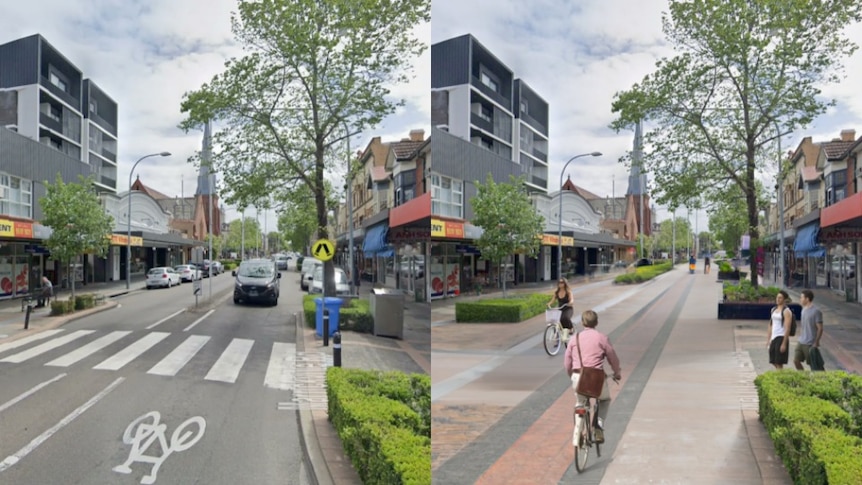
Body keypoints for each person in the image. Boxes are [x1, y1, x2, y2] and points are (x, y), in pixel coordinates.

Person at [564, 310, 621, 444]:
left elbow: (567, 362)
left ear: (583, 322)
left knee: (580, 403)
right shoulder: (602, 338)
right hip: (597, 380)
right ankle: (598, 426)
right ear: (596, 322)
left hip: (578, 377)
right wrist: (617, 372)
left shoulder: (574, 339)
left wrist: (571, 375)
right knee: (604, 400)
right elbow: (613, 358)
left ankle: (577, 433)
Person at [794, 289, 824, 370]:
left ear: (807, 299)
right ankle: (803, 377)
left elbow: (820, 328)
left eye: (802, 297)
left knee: (814, 365)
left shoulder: (816, 311)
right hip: (801, 341)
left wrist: (816, 342)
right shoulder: (803, 310)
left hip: (810, 343)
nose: (800, 299)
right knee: (796, 361)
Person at [767, 290, 793, 369]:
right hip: (773, 337)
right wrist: (768, 339)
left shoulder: (786, 311)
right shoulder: (773, 309)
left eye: (780, 298)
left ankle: (780, 378)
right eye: (777, 297)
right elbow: (771, 324)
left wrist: (784, 343)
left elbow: (787, 328)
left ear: (784, 299)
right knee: (773, 360)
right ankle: (781, 374)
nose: (778, 299)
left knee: (779, 362)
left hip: (781, 337)